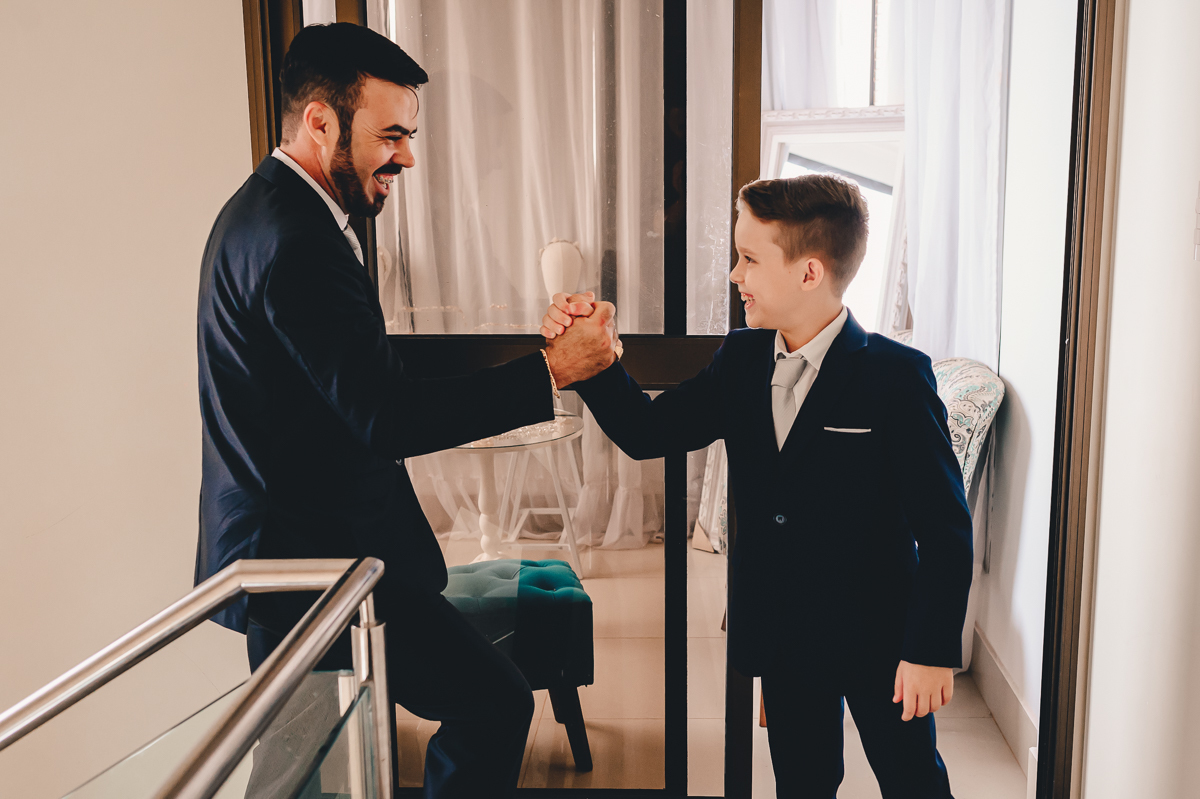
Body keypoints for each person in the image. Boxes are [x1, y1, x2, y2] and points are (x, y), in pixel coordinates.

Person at [195, 23, 616, 797]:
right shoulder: (296, 238)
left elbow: (351, 374)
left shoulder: (273, 211)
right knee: (452, 716)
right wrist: (554, 368)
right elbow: (386, 414)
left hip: (318, 555)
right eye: (390, 136)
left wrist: (534, 355)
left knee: (308, 765)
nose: (407, 158)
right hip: (313, 566)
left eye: (409, 137)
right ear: (321, 122)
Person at [542, 174, 974, 798]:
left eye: (749, 259)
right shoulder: (741, 360)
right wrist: (594, 361)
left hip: (879, 637)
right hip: (784, 636)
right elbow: (646, 431)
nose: (734, 275)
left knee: (912, 780)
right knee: (802, 781)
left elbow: (944, 527)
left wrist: (929, 650)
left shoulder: (896, 376)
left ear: (810, 273)